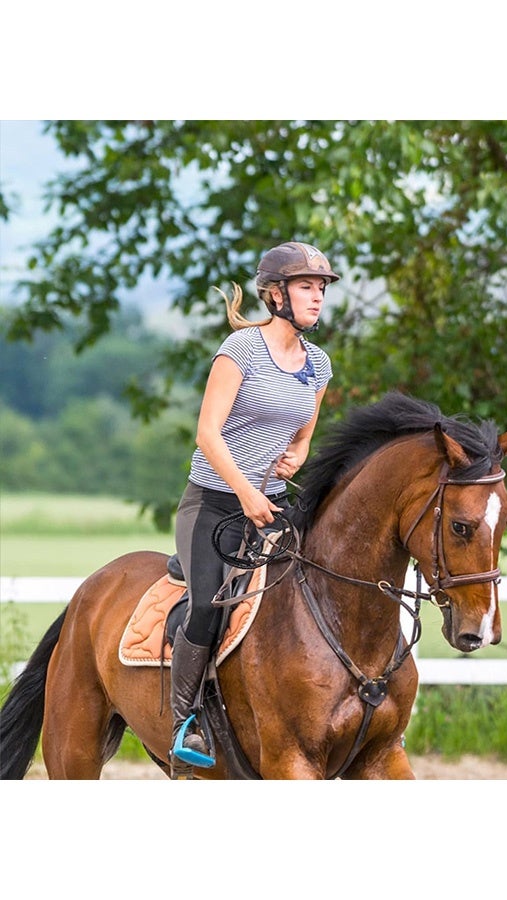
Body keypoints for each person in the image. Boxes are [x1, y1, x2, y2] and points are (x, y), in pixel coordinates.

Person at [169, 241, 340, 773]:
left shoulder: (319, 364)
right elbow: (206, 435)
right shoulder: (239, 351)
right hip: (214, 506)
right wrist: (246, 491)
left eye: (321, 288)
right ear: (275, 295)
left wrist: (299, 452)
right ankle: (187, 720)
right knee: (206, 607)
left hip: (274, 505)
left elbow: (304, 434)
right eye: (307, 287)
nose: (317, 297)